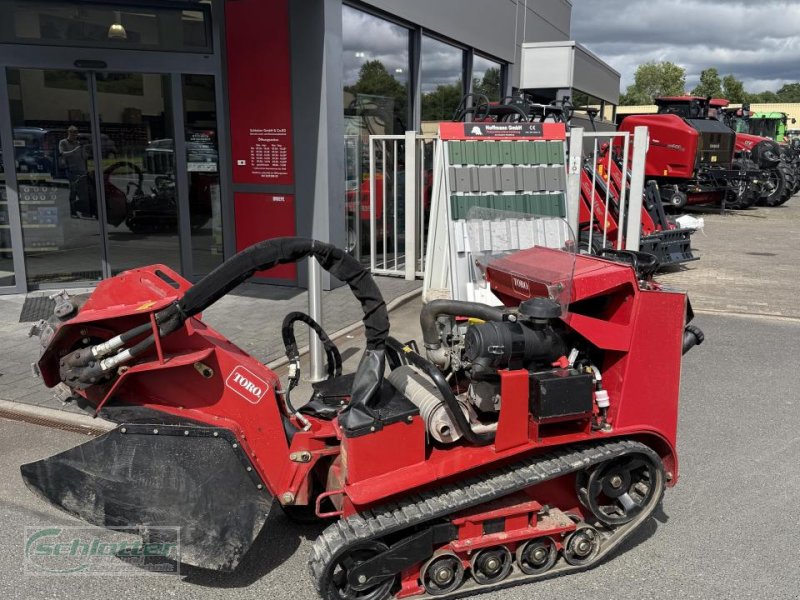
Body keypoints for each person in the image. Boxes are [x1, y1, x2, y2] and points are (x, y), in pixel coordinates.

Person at [59, 126, 95, 218]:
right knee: (73, 191)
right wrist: (74, 150)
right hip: (71, 170)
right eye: (72, 133)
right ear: (68, 133)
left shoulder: (78, 143)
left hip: (82, 170)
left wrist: (85, 151)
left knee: (83, 191)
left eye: (75, 133)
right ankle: (73, 212)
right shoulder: (63, 142)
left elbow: (85, 157)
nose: (74, 135)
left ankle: (84, 211)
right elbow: (63, 154)